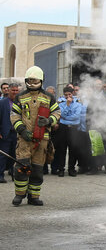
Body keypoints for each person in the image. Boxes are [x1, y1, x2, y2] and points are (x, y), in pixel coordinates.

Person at [9, 66, 60, 206]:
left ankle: (34, 196)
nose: (32, 83)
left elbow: (57, 113)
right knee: (21, 167)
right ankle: (19, 195)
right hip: (24, 140)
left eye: (35, 80)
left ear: (41, 80)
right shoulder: (20, 97)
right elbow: (14, 115)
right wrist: (22, 130)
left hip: (42, 140)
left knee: (37, 169)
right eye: (29, 80)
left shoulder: (49, 97)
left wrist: (49, 120)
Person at [52, 86, 82, 177]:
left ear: (73, 93)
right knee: (62, 149)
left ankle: (71, 169)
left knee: (73, 149)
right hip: (63, 127)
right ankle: (61, 169)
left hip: (73, 127)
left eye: (69, 94)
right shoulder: (61, 103)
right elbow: (61, 114)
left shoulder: (78, 103)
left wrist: (66, 116)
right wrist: (68, 105)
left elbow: (76, 116)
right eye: (66, 95)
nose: (68, 96)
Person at [0, 83, 20, 183]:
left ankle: (13, 173)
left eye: (17, 90)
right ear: (9, 91)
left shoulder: (21, 103)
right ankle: (0, 175)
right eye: (13, 90)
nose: (15, 92)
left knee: (14, 155)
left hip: (17, 134)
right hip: (5, 133)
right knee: (3, 156)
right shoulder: (3, 103)